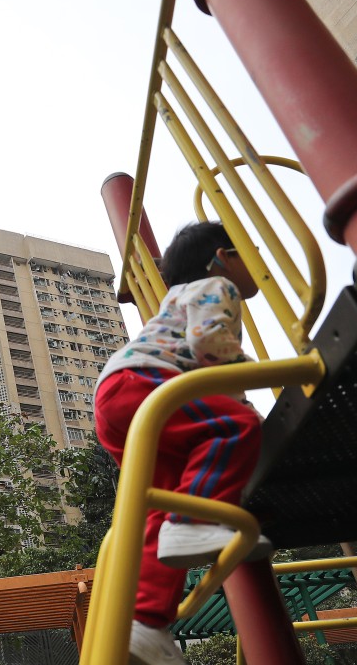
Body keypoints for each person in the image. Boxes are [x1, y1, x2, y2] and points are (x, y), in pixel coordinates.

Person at [93, 221, 272, 665]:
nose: (258, 263)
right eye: (248, 251)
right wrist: (246, 383)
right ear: (222, 257)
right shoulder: (216, 287)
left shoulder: (179, 298)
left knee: (158, 510)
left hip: (120, 402)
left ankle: (143, 623)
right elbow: (209, 341)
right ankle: (194, 521)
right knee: (236, 425)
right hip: (145, 387)